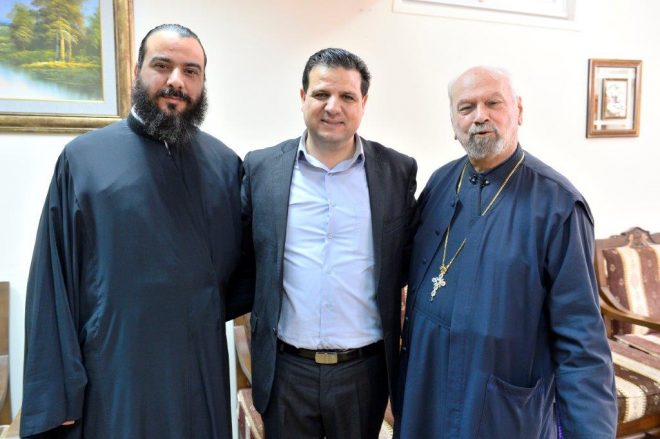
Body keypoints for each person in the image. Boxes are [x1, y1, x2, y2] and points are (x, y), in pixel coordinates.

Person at [21, 24, 251, 438]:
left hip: (199, 372)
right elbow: (53, 285)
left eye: (191, 71)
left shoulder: (225, 166)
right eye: (162, 66)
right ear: (136, 70)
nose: (176, 81)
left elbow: (241, 276)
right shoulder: (83, 161)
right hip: (115, 374)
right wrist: (57, 395)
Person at [395, 66, 617, 438]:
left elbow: (582, 344)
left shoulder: (558, 205)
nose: (479, 116)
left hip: (499, 410)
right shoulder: (440, 182)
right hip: (425, 393)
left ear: (518, 111)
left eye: (493, 103)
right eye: (466, 107)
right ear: (453, 123)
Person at [241, 48, 417, 439]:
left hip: (364, 373)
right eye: (321, 94)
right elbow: (246, 258)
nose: (333, 107)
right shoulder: (262, 168)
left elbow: (406, 259)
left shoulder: (397, 171)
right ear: (302, 96)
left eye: (347, 96)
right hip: (287, 371)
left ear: (363, 103)